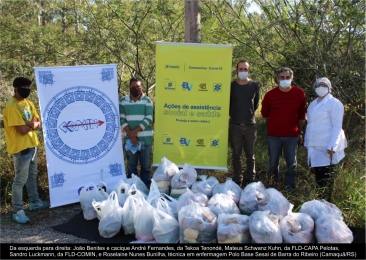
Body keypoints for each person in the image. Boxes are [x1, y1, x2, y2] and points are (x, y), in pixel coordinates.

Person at [3, 77, 50, 224]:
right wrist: (31, 124)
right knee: (20, 180)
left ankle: (35, 202)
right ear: (16, 88)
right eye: (24, 86)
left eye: (29, 86)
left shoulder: (28, 103)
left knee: (32, 176)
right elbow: (22, 130)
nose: (27, 89)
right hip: (20, 148)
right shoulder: (11, 106)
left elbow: (39, 122)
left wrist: (28, 123)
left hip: (32, 145)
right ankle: (17, 210)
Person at [261, 67, 306, 190]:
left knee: (291, 164)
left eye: (287, 77)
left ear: (292, 78)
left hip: (292, 135)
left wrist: (300, 133)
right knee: (273, 163)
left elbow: (302, 115)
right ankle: (272, 187)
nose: (285, 79)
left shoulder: (299, 93)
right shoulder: (270, 95)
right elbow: (264, 113)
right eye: (282, 77)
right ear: (277, 79)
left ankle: (289, 188)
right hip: (274, 135)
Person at [304, 77, 347, 201]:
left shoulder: (334, 103)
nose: (321, 87)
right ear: (315, 87)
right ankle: (320, 200)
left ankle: (327, 201)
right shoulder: (312, 104)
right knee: (318, 174)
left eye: (324, 85)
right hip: (314, 144)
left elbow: (337, 126)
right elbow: (310, 124)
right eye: (319, 85)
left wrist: (332, 145)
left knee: (326, 175)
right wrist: (307, 142)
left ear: (329, 88)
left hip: (326, 145)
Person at [229, 59, 260, 187]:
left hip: (250, 125)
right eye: (240, 69)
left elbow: (256, 104)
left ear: (249, 70)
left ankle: (251, 180)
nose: (243, 71)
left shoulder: (254, 85)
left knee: (250, 155)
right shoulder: (231, 86)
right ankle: (237, 180)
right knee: (236, 155)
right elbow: (229, 104)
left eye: (245, 69)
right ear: (236, 70)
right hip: (235, 125)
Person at [119, 77, 154, 188]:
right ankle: (132, 189)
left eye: (138, 86)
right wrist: (131, 136)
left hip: (145, 140)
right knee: (131, 166)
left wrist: (132, 134)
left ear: (142, 87)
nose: (135, 88)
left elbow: (149, 119)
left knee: (146, 167)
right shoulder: (122, 101)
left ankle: (145, 189)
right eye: (133, 86)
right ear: (129, 87)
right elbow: (121, 118)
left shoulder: (147, 101)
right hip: (130, 141)